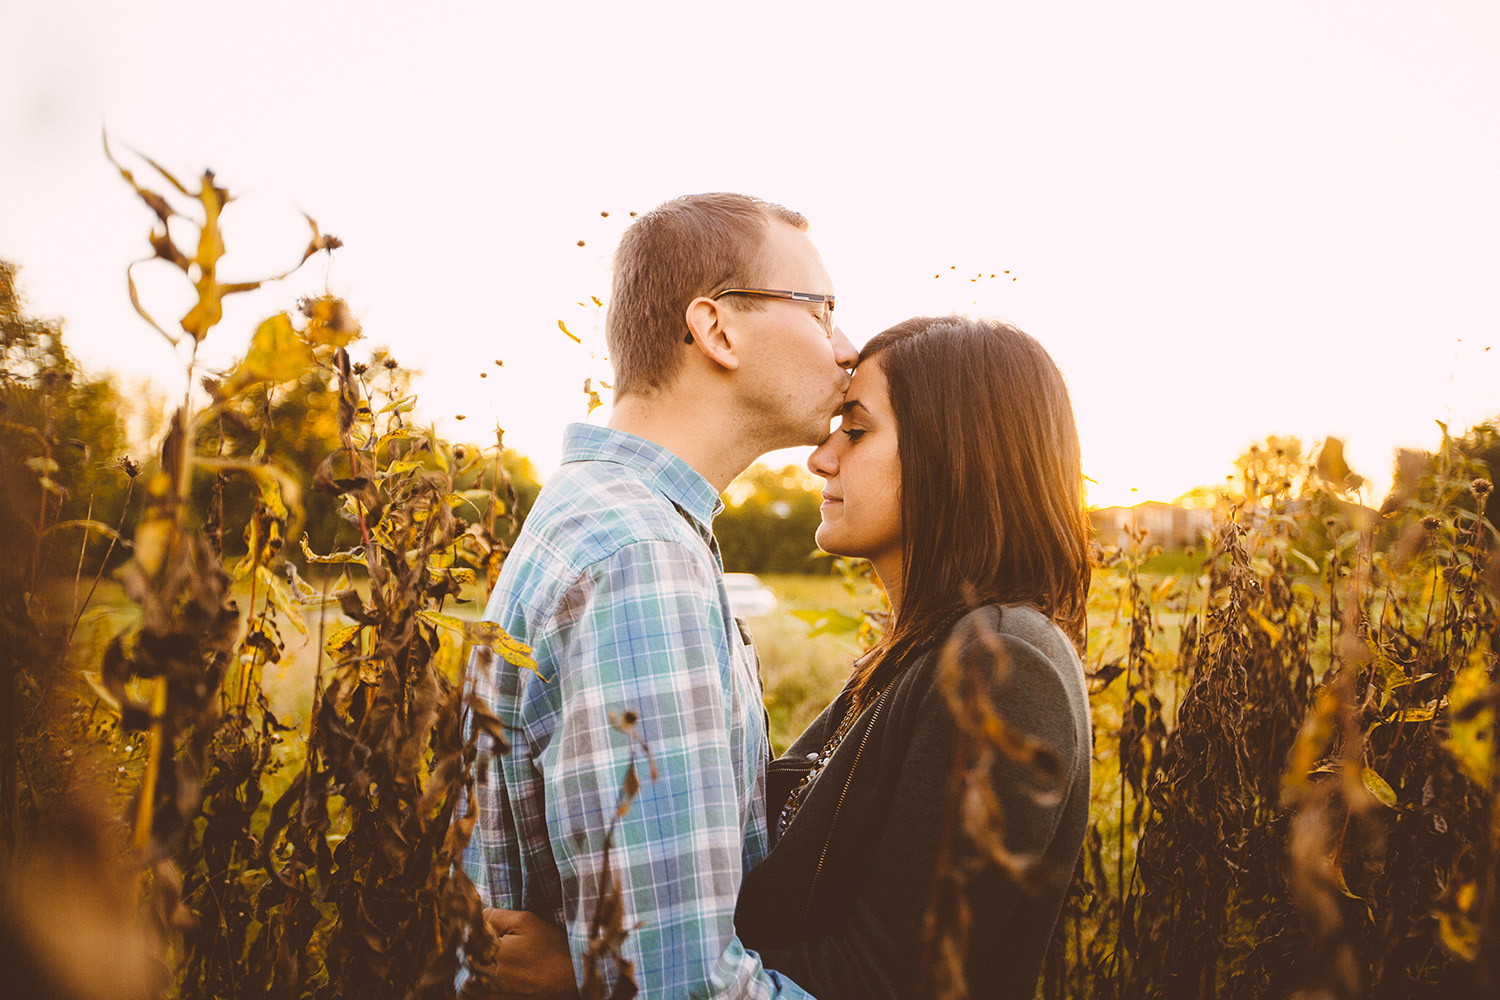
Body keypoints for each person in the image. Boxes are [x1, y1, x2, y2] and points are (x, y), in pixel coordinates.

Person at [478, 315, 1093, 1000]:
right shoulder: (916, 655)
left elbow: (895, 984)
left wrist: (589, 981)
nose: (821, 458)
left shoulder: (1005, 665)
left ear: (959, 453)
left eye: (856, 431)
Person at [460, 192, 858, 999]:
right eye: (820, 310)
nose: (845, 346)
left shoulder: (607, 519)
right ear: (717, 329)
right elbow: (684, 988)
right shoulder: (641, 558)